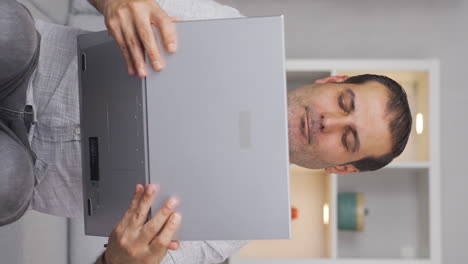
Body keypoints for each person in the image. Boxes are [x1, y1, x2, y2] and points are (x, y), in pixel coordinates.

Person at [0, 0, 411, 263]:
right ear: (331, 82)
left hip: (23, 171)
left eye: (347, 138)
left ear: (342, 169)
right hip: (29, 57)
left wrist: (121, 262)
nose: (329, 123)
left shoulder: (229, 227)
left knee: (7, 179)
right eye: (344, 104)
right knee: (11, 26)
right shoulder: (226, 27)